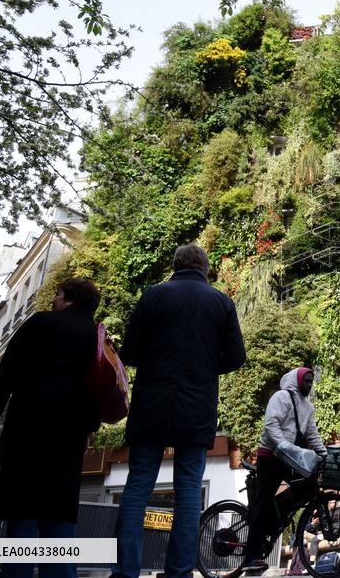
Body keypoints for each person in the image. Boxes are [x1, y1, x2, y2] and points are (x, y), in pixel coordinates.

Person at [111, 244, 246, 578]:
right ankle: (179, 572)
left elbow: (130, 352)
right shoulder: (221, 302)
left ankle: (125, 571)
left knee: (137, 486)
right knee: (188, 492)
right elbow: (236, 356)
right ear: (205, 268)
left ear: (175, 265)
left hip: (152, 404)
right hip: (196, 407)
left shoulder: (152, 295)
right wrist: (205, 366)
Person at [0, 279, 102, 578]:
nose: (54, 299)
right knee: (59, 511)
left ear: (69, 300)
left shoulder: (40, 323)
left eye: (58, 295)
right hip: (68, 434)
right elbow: (99, 386)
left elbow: (8, 370)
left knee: (23, 509)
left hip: (27, 426)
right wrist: (89, 427)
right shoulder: (96, 336)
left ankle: (17, 571)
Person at [243, 366, 328, 572]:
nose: (309, 384)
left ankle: (274, 519)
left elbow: (312, 434)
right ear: (297, 380)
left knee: (307, 485)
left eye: (311, 381)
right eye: (306, 380)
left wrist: (324, 454)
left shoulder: (307, 406)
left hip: (290, 458)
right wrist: (283, 445)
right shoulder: (281, 397)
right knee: (263, 501)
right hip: (271, 455)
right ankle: (250, 557)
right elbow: (271, 424)